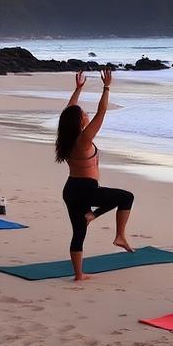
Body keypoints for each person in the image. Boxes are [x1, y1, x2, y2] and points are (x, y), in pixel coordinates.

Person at [55, 69, 135, 280]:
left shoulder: (67, 137)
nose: (86, 114)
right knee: (126, 197)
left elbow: (68, 111)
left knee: (79, 233)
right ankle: (118, 235)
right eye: (83, 114)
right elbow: (101, 112)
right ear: (80, 121)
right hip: (86, 189)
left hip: (71, 189)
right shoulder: (83, 140)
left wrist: (78, 89)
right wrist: (106, 88)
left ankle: (79, 275)